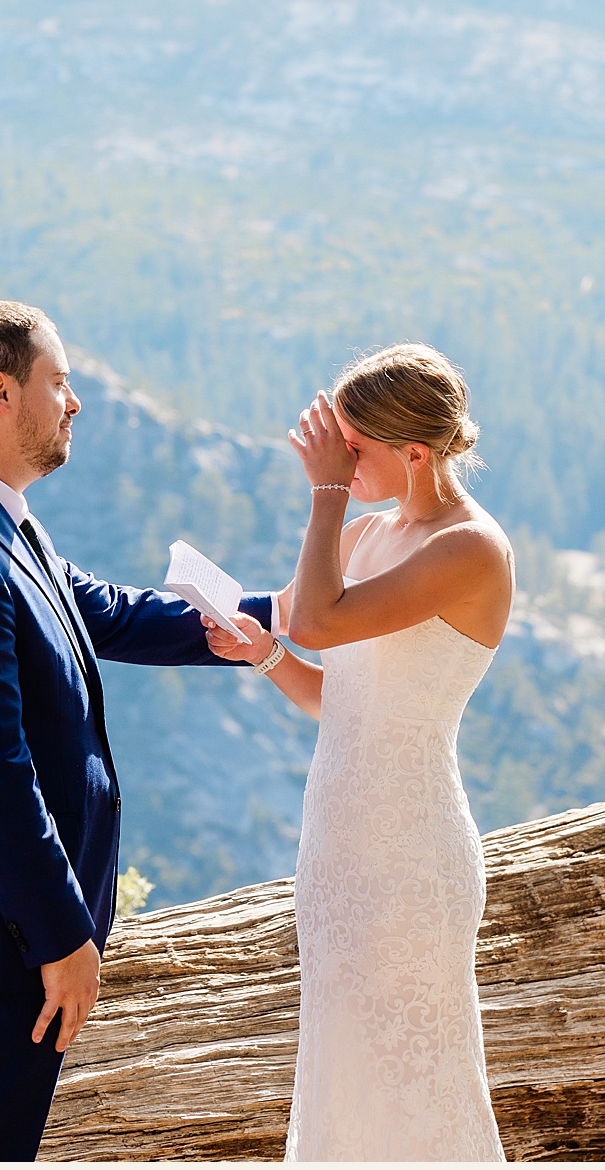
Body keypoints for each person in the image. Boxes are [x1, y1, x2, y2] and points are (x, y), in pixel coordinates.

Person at [0, 300, 271, 1161]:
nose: (75, 401)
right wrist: (60, 936)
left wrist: (294, 615)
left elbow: (113, 615)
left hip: (0, 935)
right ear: (1, 393)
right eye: (61, 382)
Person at [202, 342, 513, 1162]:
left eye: (355, 448)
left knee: (417, 1080)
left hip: (410, 851)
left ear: (414, 454)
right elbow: (333, 691)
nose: (341, 461)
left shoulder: (469, 548)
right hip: (336, 846)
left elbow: (318, 620)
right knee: (344, 1070)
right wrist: (262, 655)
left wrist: (325, 494)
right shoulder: (373, 532)